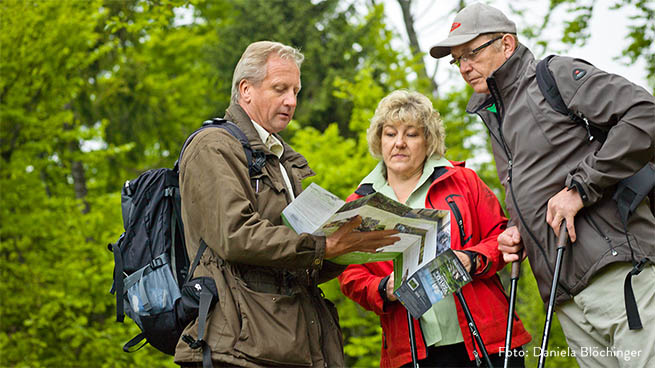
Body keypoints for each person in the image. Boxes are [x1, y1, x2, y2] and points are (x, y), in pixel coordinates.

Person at [429, 3, 655, 367]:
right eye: (457, 60)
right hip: (565, 296)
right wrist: (517, 231)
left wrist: (581, 189)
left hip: (618, 272)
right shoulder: (495, 117)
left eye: (471, 52)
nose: (465, 67)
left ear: (506, 44)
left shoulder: (552, 75)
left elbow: (645, 114)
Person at [174, 41, 400, 367]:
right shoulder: (213, 146)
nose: (291, 101)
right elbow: (234, 235)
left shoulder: (279, 159)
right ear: (245, 90)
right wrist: (323, 244)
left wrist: (351, 246)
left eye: (296, 90)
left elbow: (297, 261)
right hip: (238, 348)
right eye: (280, 89)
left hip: (292, 343)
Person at [338, 90, 531, 368]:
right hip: (411, 350)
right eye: (390, 134)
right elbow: (349, 274)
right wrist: (383, 288)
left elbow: (501, 238)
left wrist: (471, 259)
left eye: (412, 134)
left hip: (488, 338)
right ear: (379, 140)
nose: (399, 143)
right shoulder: (359, 203)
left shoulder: (463, 181)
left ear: (428, 140)